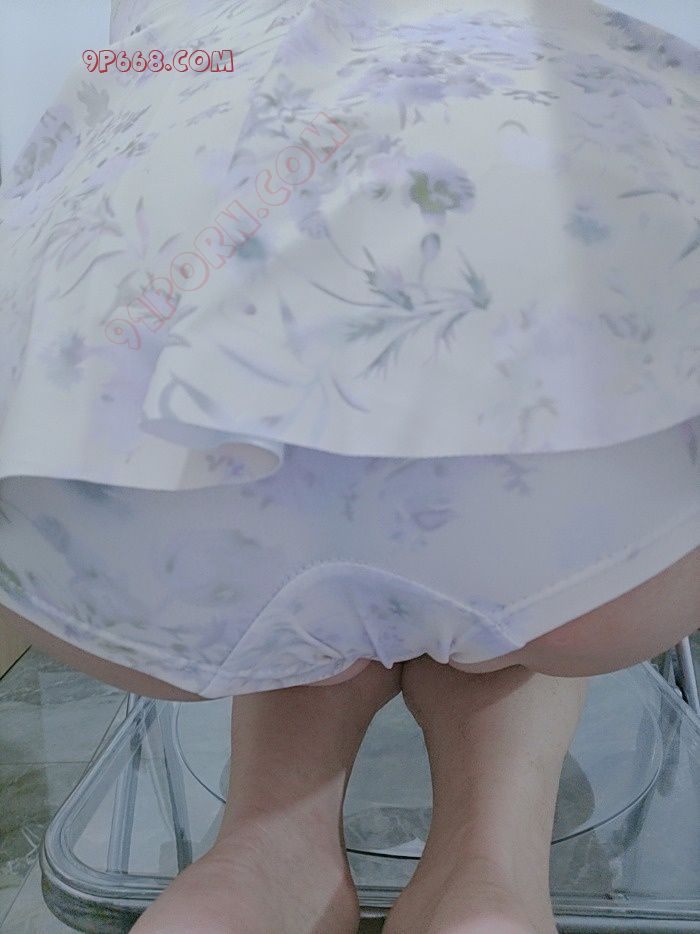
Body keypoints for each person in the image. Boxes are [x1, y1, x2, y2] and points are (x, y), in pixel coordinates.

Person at [0, 0, 698, 931]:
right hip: (562, 408)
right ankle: (488, 881)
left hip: (119, 448)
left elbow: (131, 65)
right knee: (518, 533)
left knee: (286, 505)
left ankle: (254, 871)